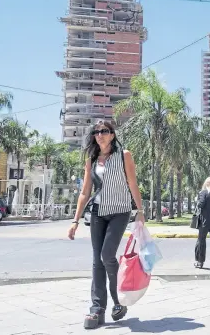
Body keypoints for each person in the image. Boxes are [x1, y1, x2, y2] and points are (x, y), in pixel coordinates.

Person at [67, 120, 145, 330]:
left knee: (107, 255)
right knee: (97, 260)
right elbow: (85, 192)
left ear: (112, 135)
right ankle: (97, 309)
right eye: (96, 132)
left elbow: (132, 183)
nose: (99, 135)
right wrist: (75, 220)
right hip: (98, 213)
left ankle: (118, 300)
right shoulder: (91, 160)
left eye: (104, 131)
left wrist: (139, 211)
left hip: (119, 211)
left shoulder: (124, 155)